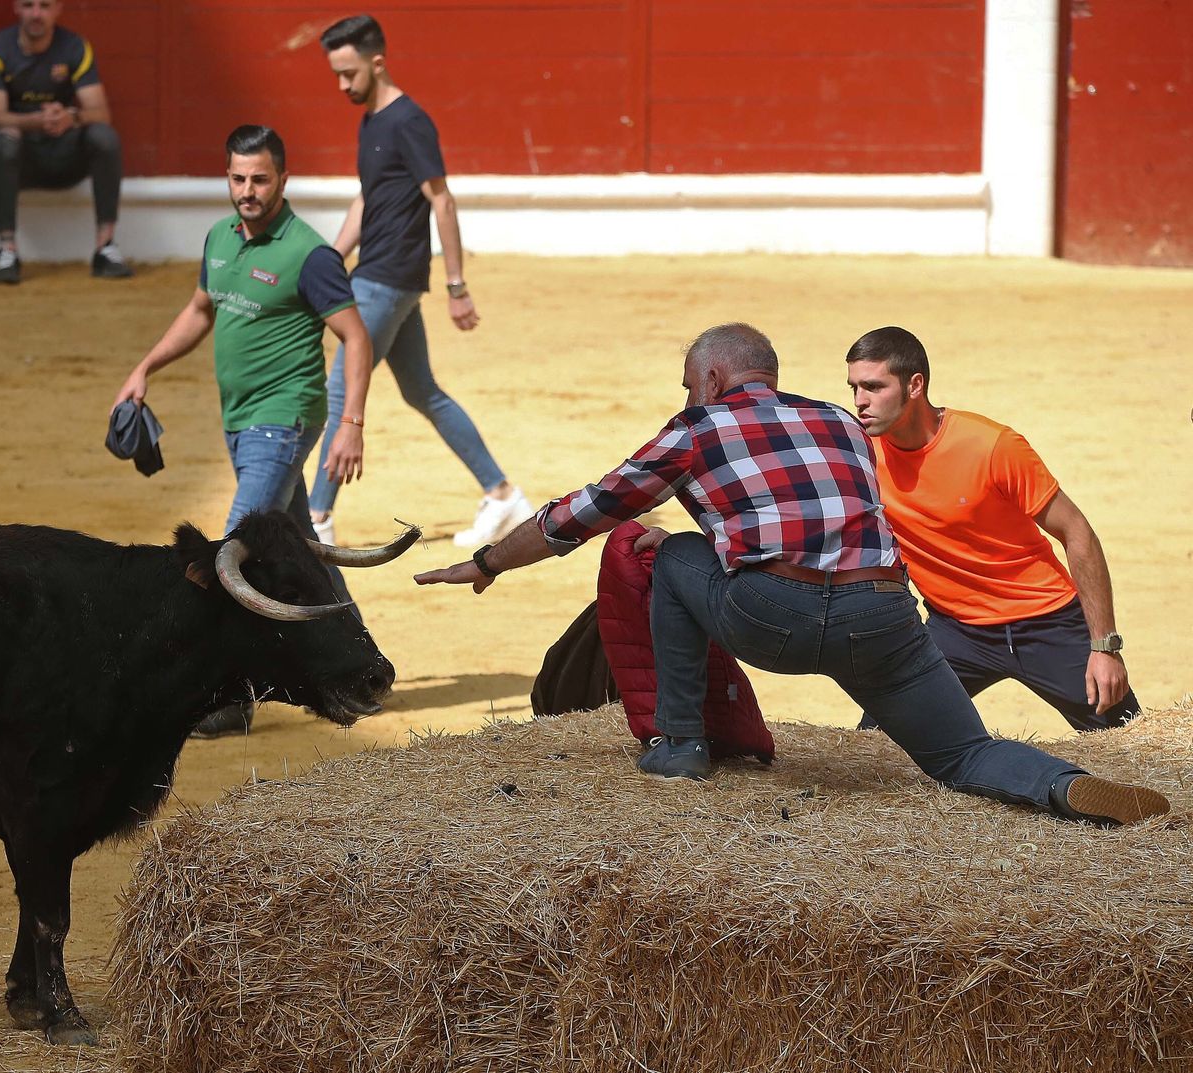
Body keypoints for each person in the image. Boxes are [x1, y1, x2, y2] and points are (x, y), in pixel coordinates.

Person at [415, 323, 1168, 826]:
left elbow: (584, 513)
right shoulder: (843, 423)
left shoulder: (696, 427)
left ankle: (680, 745)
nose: (687, 397)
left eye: (689, 384)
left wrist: (487, 561)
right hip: (883, 617)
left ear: (712, 376)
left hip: (775, 617)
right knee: (962, 754)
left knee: (670, 554)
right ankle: (1062, 785)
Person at [112, 124, 374, 738]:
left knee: (230, 557)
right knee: (305, 547)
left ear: (282, 179)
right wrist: (146, 366)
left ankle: (228, 699)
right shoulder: (219, 238)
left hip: (283, 421)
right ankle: (361, 673)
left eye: (259, 179)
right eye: (237, 178)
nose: (247, 190)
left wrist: (351, 423)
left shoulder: (310, 254)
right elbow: (200, 309)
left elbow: (356, 336)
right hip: (238, 421)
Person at [846, 325, 1139, 733]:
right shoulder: (860, 452)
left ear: (915, 385)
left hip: (1047, 622)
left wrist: (1105, 647)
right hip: (955, 632)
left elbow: (1078, 533)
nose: (860, 401)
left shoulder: (992, 446)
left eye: (874, 387)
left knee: (1128, 740)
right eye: (854, 388)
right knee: (875, 741)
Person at [307, 14, 529, 550]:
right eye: (336, 75)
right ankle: (502, 495)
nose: (342, 85)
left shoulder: (409, 121)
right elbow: (369, 197)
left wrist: (457, 285)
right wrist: (333, 257)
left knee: (341, 391)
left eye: (349, 73)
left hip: (388, 278)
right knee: (422, 390)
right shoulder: (371, 120)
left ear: (377, 62)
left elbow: (441, 200)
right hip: (381, 274)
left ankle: (316, 517)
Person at [0, 0, 131, 283]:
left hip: (65, 153)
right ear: (16, 7)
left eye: (45, 6)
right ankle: (7, 250)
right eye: (28, 5)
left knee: (104, 137)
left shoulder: (75, 47)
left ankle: (106, 247)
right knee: (2, 140)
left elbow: (101, 114)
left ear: (58, 8)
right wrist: (38, 121)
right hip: (22, 159)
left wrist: (71, 117)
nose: (36, 14)